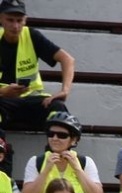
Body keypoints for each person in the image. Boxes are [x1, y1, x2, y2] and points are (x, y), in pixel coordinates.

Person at [0, 0, 73, 131]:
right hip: (3, 101)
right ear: (1, 19)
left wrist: (65, 91)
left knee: (57, 108)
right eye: (10, 20)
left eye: (19, 20)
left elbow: (68, 60)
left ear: (25, 20)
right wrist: (2, 92)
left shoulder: (31, 36)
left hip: (32, 99)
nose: (15, 26)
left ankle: (57, 151)